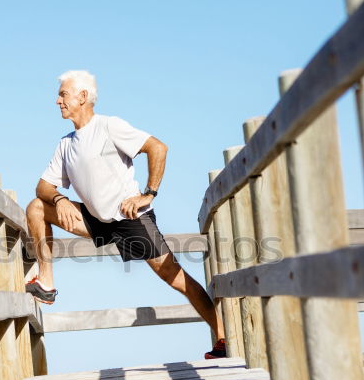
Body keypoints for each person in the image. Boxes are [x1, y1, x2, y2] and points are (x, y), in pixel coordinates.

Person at [24, 69, 227, 359]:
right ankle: (46, 282)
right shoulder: (66, 144)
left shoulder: (109, 126)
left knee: (175, 277)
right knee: (36, 206)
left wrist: (149, 193)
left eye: (63, 94)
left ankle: (222, 338)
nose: (58, 101)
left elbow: (157, 147)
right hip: (94, 219)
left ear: (83, 97)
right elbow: (43, 186)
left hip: (129, 218)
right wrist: (60, 200)